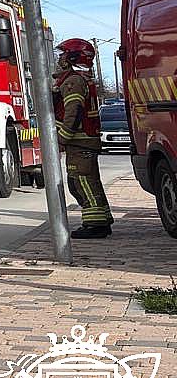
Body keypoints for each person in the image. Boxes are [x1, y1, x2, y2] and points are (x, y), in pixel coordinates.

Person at [53, 38, 111, 238]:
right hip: (84, 141)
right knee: (90, 180)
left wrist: (62, 138)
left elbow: (74, 112)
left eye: (63, 54)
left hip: (79, 141)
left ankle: (95, 225)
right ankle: (103, 218)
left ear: (72, 57)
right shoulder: (81, 79)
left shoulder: (73, 81)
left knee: (81, 182)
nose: (60, 58)